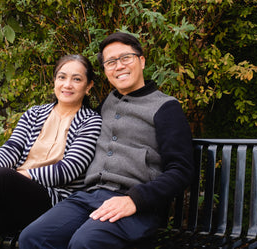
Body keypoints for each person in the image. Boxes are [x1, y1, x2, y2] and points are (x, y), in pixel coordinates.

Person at [19, 32, 194, 249]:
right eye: (110, 62)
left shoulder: (166, 108)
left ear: (141, 60)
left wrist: (134, 200)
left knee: (85, 242)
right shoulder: (108, 103)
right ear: (105, 71)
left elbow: (182, 170)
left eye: (125, 58)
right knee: (33, 237)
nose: (118, 66)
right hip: (88, 196)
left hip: (135, 205)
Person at [0, 54, 102, 249]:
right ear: (54, 81)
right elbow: (11, 149)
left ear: (88, 87)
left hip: (55, 200)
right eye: (62, 77)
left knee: (3, 177)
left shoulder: (91, 121)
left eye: (76, 79)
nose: (67, 84)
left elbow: (69, 169)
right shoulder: (35, 113)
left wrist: (22, 175)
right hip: (13, 194)